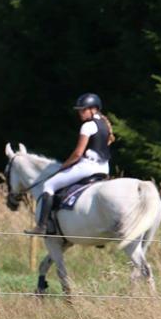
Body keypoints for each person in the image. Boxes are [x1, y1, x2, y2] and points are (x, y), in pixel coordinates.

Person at [25, 92, 115, 234]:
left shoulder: (88, 126)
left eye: (83, 109)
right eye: (79, 110)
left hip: (88, 167)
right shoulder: (105, 124)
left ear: (93, 109)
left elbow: (78, 153)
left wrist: (64, 166)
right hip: (104, 169)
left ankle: (42, 226)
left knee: (48, 185)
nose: (80, 113)